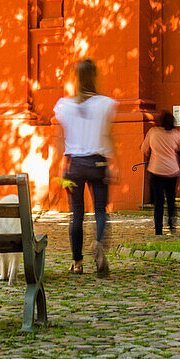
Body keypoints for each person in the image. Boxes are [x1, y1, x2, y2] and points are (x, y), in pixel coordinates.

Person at [54, 58, 116, 275]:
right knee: (100, 210)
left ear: (76, 78)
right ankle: (99, 244)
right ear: (94, 76)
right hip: (98, 162)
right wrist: (112, 163)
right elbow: (108, 136)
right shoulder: (105, 104)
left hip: (74, 165)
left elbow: (59, 140)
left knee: (76, 214)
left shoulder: (64, 105)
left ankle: (77, 263)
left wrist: (60, 169)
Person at [140, 110, 180, 236]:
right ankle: (171, 224)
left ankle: (158, 229)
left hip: (156, 170)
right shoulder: (175, 134)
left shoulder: (153, 132)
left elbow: (144, 149)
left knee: (158, 201)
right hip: (172, 171)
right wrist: (177, 150)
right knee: (171, 199)